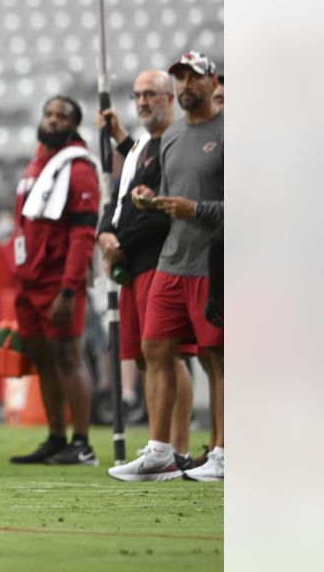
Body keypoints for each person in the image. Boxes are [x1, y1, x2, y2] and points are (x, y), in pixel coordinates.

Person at [110, 51, 224, 483]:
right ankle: (161, 452)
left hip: (212, 262)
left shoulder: (232, 131)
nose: (186, 86)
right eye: (180, 78)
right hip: (171, 261)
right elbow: (171, 200)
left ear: (213, 82)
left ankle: (223, 451)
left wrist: (196, 209)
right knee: (154, 350)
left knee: (217, 358)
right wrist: (150, 202)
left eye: (194, 78)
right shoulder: (172, 137)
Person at [96, 70, 197, 468]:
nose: (142, 101)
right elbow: (122, 194)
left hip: (160, 256)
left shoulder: (176, 143)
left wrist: (122, 241)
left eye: (151, 94)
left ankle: (177, 448)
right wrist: (107, 233)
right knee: (144, 355)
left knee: (166, 354)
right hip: (134, 260)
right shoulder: (143, 146)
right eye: (137, 95)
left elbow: (166, 205)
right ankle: (169, 449)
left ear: (170, 99)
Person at [6, 95, 99, 467]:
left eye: (63, 116)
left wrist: (69, 287)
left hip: (58, 282)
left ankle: (82, 442)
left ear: (74, 125)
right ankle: (57, 437)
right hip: (29, 281)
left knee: (67, 355)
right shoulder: (36, 164)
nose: (54, 120)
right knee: (42, 357)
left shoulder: (78, 168)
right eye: (49, 113)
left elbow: (82, 235)